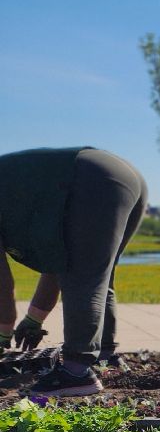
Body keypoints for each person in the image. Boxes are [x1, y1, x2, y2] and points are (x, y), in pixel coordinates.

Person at [0, 147, 145, 396]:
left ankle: (76, 374)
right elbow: (59, 259)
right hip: (121, 175)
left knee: (84, 277)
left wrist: (3, 334)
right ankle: (104, 356)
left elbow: (2, 284)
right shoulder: (21, 196)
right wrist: (34, 319)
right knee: (97, 274)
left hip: (88, 178)